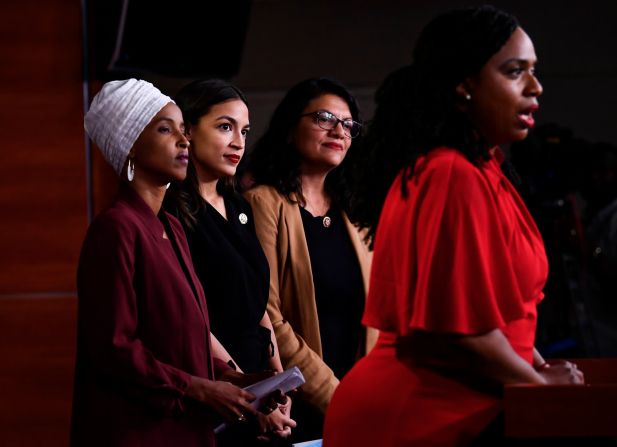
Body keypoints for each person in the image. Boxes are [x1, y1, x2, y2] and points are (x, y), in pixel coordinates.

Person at [323, 6, 584, 447]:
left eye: (533, 72)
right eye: (515, 71)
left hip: (459, 407)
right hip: (419, 416)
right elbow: (461, 334)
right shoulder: (450, 173)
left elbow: (500, 315)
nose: (536, 88)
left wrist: (535, 366)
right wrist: (541, 387)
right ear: (465, 85)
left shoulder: (483, 170)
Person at [72, 79, 266, 447]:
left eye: (183, 130)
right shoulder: (116, 229)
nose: (184, 140)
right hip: (139, 431)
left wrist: (237, 380)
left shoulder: (171, 225)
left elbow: (185, 338)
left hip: (186, 427)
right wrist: (200, 389)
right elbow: (115, 350)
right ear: (129, 146)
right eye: (165, 129)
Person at [163, 79, 296, 444]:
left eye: (244, 130)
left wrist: (279, 383)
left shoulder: (238, 205)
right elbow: (191, 318)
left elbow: (259, 303)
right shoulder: (171, 212)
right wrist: (248, 393)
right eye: (225, 127)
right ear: (187, 131)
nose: (239, 141)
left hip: (258, 383)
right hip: (216, 387)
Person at [244, 77, 376, 442]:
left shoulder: (356, 213)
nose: (339, 130)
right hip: (297, 403)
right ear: (290, 129)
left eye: (348, 125)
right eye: (324, 118)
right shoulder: (263, 202)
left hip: (363, 401)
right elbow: (268, 315)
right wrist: (334, 395)